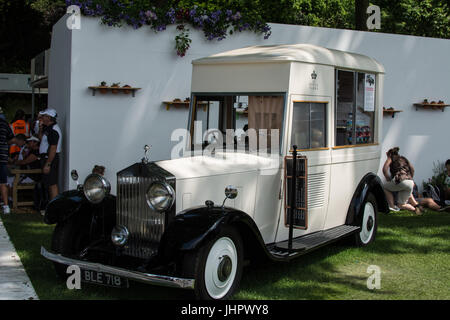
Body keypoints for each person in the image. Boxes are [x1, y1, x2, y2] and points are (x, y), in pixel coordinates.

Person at [382, 147, 422, 214]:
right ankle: (416, 210)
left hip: (401, 181)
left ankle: (392, 206)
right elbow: (412, 169)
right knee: (401, 205)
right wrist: (411, 178)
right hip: (410, 182)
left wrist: (387, 178)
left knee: (384, 187)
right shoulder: (403, 158)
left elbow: (384, 169)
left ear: (389, 154)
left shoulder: (390, 158)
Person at [0, 110, 23, 214]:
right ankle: (6, 206)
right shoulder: (5, 124)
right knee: (3, 182)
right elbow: (11, 139)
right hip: (2, 157)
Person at [38, 108, 62, 201]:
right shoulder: (48, 128)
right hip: (47, 157)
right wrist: (40, 128)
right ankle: (51, 204)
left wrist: (48, 163)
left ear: (49, 117)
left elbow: (53, 148)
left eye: (44, 116)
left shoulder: (53, 130)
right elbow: (41, 139)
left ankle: (54, 206)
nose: (42, 118)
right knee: (49, 182)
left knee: (52, 184)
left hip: (50, 158)